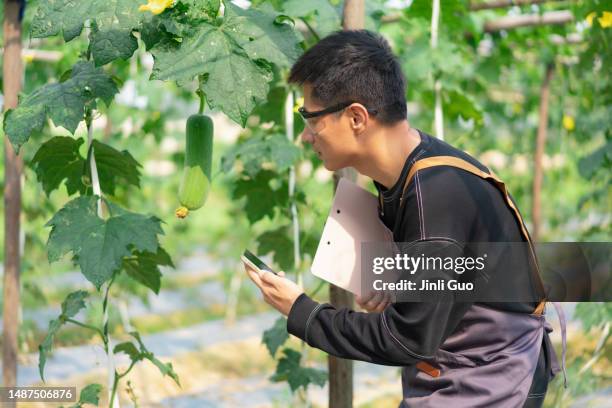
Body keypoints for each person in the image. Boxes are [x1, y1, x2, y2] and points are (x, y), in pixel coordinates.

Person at [244, 30, 564, 407]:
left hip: (491, 380)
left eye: (311, 118)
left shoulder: (437, 196)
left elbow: (407, 339)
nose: (305, 135)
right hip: (463, 365)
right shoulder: (411, 168)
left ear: (357, 117)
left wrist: (303, 312)